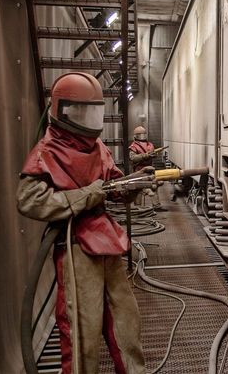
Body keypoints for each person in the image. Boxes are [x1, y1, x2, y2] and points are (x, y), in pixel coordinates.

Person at [16, 72, 145, 374]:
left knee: (125, 319)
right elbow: (30, 200)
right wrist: (85, 195)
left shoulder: (97, 147)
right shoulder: (47, 152)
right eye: (81, 111)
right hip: (76, 250)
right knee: (81, 329)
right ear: (63, 111)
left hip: (106, 242)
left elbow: (112, 186)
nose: (88, 119)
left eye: (93, 111)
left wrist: (133, 185)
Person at [129, 126, 160, 208]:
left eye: (143, 134)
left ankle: (156, 205)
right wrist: (144, 155)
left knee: (154, 185)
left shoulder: (150, 145)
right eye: (140, 135)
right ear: (136, 136)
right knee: (138, 188)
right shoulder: (134, 146)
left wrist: (153, 155)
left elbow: (154, 155)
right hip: (139, 170)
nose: (142, 137)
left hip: (150, 169)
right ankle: (137, 206)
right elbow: (133, 158)